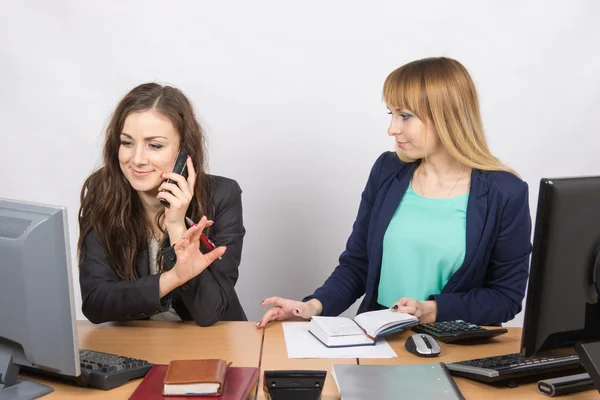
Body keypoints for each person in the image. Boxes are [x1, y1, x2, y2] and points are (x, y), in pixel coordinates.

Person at [258, 57, 531, 328]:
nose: (392, 129)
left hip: (454, 346)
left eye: (405, 116)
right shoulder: (387, 171)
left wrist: (431, 310)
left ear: (446, 116)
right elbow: (358, 263)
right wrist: (310, 307)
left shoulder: (504, 192)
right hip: (379, 340)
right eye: (391, 114)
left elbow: (505, 297)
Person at [78, 83, 247, 326]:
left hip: (207, 343)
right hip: (135, 341)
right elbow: (95, 302)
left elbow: (209, 312)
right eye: (127, 142)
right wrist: (173, 278)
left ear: (184, 152)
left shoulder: (221, 196)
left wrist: (177, 225)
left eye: (154, 145)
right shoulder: (102, 192)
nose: (137, 159)